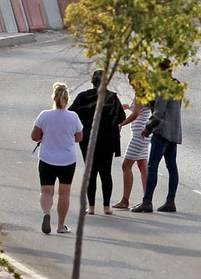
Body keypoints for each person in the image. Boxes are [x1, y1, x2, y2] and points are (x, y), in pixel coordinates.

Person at [68, 71, 123, 216]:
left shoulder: (84, 96)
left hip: (89, 140)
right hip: (107, 140)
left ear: (92, 81)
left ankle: (91, 207)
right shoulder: (112, 97)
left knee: (90, 173)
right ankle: (106, 206)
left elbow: (71, 113)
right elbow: (122, 117)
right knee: (106, 173)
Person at [31, 82, 82, 234]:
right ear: (67, 99)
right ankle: (61, 226)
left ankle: (47, 213)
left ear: (53, 98)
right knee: (64, 193)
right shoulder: (73, 117)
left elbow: (34, 137)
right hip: (67, 160)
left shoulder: (44, 115)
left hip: (47, 159)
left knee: (46, 191)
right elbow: (79, 137)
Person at [133, 66, 183, 214]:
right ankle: (170, 201)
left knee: (152, 166)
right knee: (172, 167)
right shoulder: (178, 85)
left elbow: (159, 112)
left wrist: (148, 127)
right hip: (174, 131)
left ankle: (147, 201)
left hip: (161, 131)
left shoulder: (163, 88)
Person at [113, 84, 151, 210]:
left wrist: (121, 124)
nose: (130, 83)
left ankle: (125, 200)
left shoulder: (141, 93)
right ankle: (147, 199)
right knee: (142, 166)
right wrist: (129, 107)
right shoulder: (146, 92)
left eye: (131, 80)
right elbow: (140, 110)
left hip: (139, 134)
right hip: (143, 132)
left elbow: (136, 114)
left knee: (126, 165)